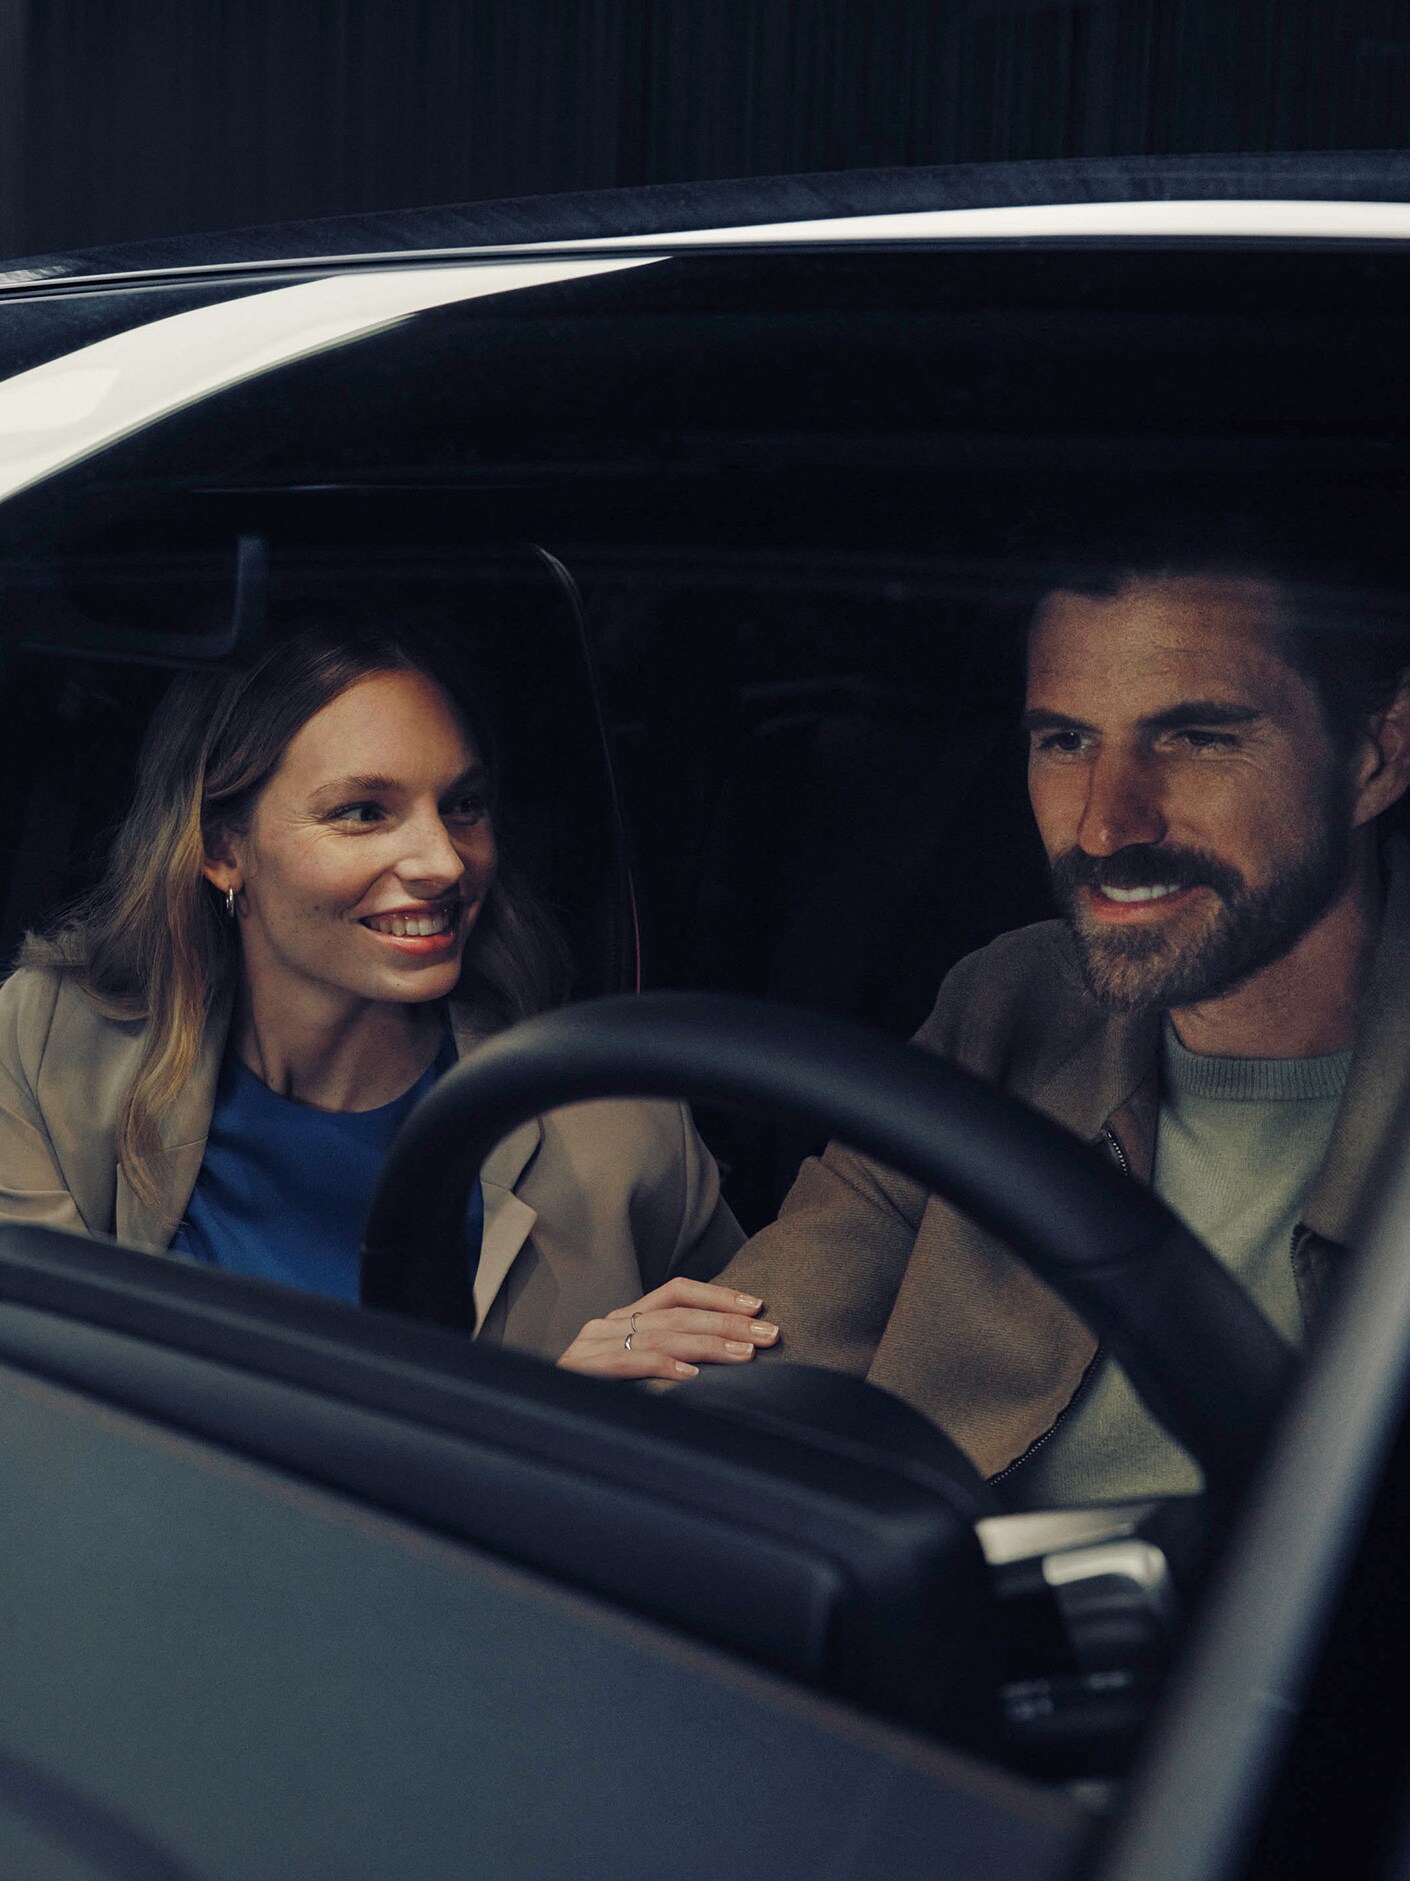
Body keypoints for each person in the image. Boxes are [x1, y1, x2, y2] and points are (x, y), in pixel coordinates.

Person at [714, 560, 1410, 1504]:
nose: (1103, 824)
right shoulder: (1008, 1001)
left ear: (1379, 756)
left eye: (1199, 737)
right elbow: (761, 1344)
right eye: (1067, 740)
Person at [0, 618, 773, 1372]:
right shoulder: (45, 1049)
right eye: (364, 812)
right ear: (220, 848)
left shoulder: (617, 1124)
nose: (443, 860)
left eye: (463, 804)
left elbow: (764, 1399)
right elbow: (42, 1412)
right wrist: (527, 1424)